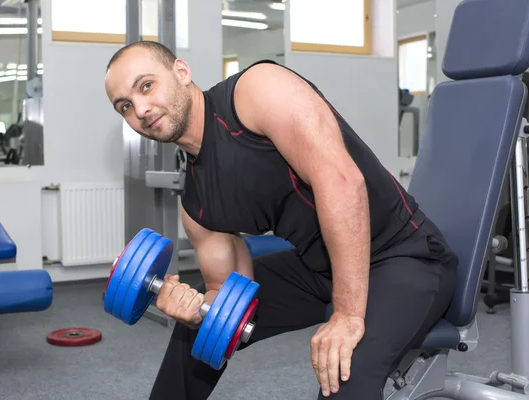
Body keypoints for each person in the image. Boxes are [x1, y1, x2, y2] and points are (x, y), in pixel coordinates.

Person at [104, 41, 458, 399]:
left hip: (403, 255)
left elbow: (342, 182)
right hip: (318, 268)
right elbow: (229, 301)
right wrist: (196, 311)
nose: (142, 109)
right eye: (125, 107)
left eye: (146, 86)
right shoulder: (197, 204)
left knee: (343, 368)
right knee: (195, 333)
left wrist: (348, 315)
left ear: (181, 72)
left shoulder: (256, 92)